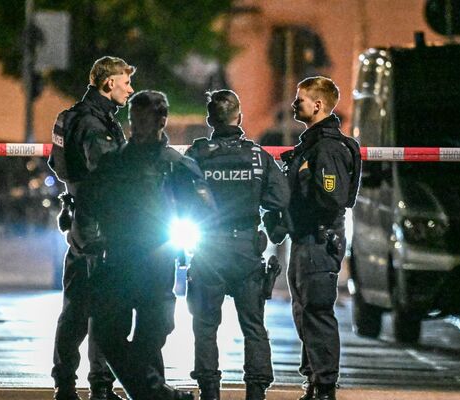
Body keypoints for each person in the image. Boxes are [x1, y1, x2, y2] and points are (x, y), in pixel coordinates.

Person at [84, 90, 212, 400]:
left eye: (144, 119)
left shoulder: (174, 164)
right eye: (134, 118)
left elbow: (204, 209)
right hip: (118, 257)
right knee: (106, 333)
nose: (136, 126)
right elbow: (91, 201)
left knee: (152, 335)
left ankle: (154, 395)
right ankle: (162, 396)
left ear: (161, 120)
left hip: (157, 259)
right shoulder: (115, 162)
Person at [184, 90, 290, 400]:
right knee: (253, 325)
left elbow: (177, 196)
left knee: (205, 325)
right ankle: (255, 392)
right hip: (245, 249)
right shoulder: (258, 156)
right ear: (239, 118)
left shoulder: (197, 155)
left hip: (207, 248)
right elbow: (279, 199)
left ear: (210, 120)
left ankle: (209, 392)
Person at [47, 56, 135, 400]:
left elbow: (58, 165)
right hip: (99, 223)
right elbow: (108, 171)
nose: (130, 89)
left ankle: (70, 384)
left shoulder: (79, 117)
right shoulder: (93, 124)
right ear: (108, 83)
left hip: (82, 218)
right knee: (97, 307)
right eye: (125, 82)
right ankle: (95, 386)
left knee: (78, 306)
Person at [283, 77, 361, 400]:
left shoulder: (327, 148)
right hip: (305, 240)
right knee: (305, 314)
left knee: (316, 312)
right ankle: (315, 380)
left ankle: (325, 387)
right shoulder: (313, 145)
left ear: (318, 105)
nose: (294, 104)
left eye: (300, 100)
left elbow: (331, 199)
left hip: (318, 240)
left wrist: (301, 181)